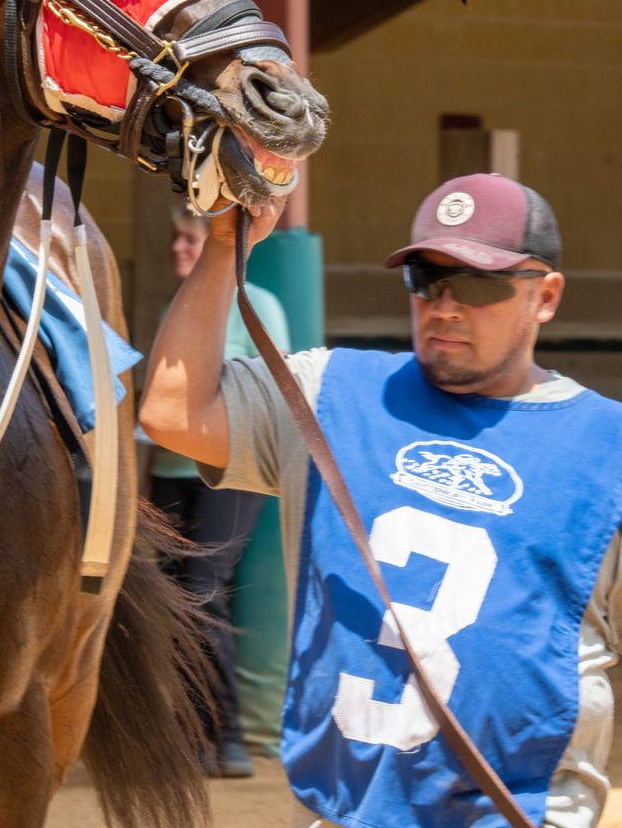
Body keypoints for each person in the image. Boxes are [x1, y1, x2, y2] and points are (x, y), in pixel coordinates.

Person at [139, 173, 622, 828]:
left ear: (547, 296)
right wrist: (227, 246)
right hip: (344, 814)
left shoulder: (606, 447)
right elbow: (173, 410)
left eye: (478, 283)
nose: (445, 305)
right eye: (427, 278)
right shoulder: (333, 390)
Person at [146, 209, 290, 778]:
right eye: (177, 240)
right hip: (170, 471)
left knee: (204, 592)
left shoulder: (261, 304)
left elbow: (267, 388)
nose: (179, 250)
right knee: (171, 600)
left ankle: (227, 734)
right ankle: (189, 735)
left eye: (190, 239)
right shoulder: (173, 310)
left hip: (230, 472)